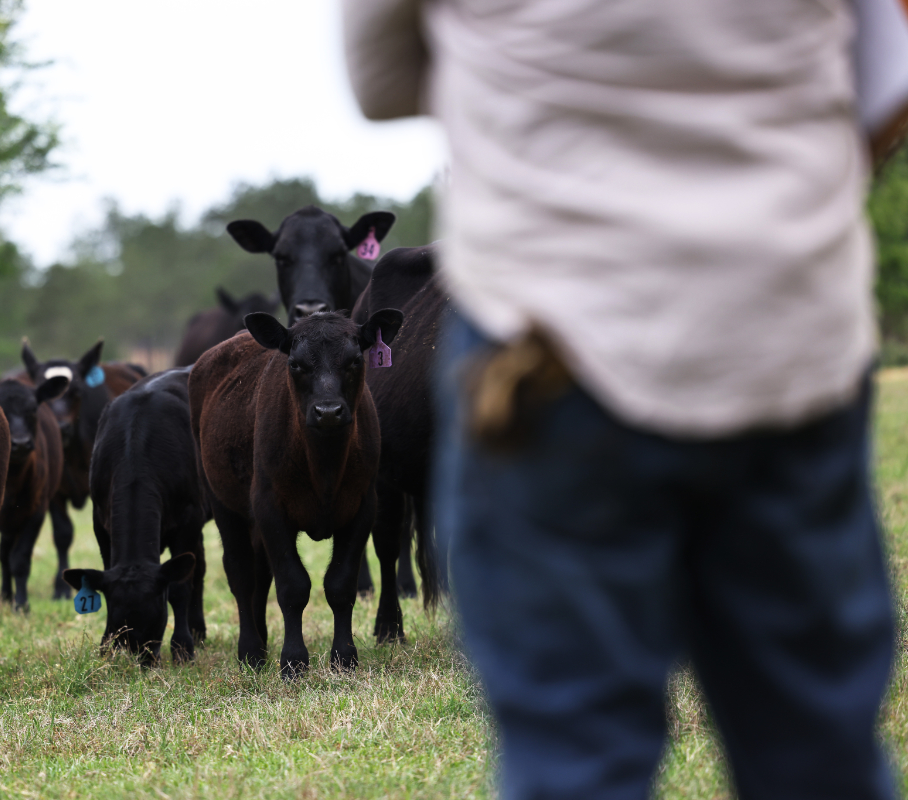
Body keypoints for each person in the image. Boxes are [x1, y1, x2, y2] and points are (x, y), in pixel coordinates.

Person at [343, 1, 908, 798]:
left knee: (576, 759)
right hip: (785, 331)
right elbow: (886, 79)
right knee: (818, 749)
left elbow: (380, 79)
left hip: (549, 341)